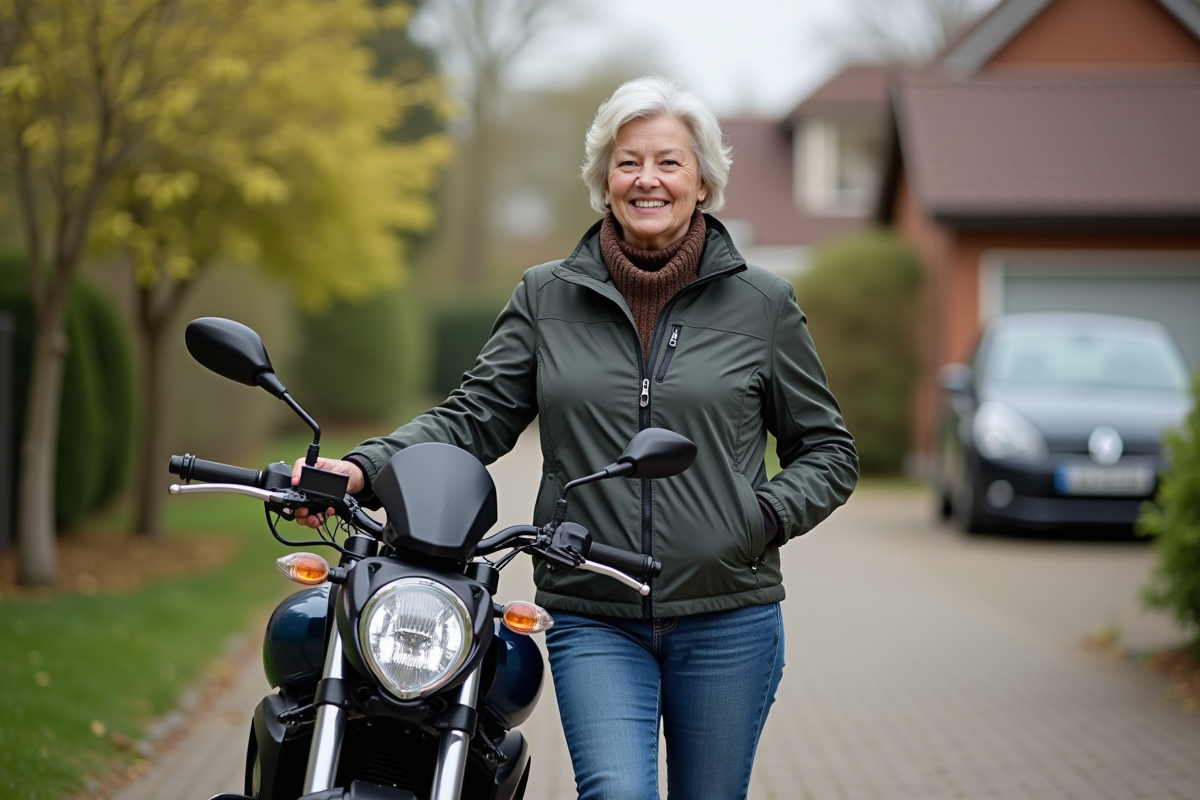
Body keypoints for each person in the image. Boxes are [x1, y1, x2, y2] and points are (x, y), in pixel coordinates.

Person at [292, 75, 858, 800]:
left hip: (729, 617)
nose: (646, 179)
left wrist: (759, 519)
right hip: (594, 615)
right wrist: (365, 468)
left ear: (704, 182)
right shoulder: (545, 295)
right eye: (628, 162)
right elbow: (474, 416)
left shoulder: (763, 304)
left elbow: (830, 452)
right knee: (616, 793)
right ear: (604, 180)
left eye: (669, 162)